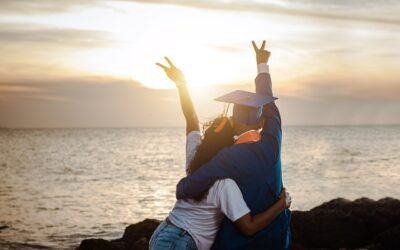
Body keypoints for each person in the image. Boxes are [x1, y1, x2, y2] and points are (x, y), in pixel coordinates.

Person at [149, 56, 292, 250]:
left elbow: (191, 119)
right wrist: (281, 204)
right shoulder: (228, 183)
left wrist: (181, 83)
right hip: (183, 241)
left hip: (163, 232)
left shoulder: (196, 157)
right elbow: (248, 227)